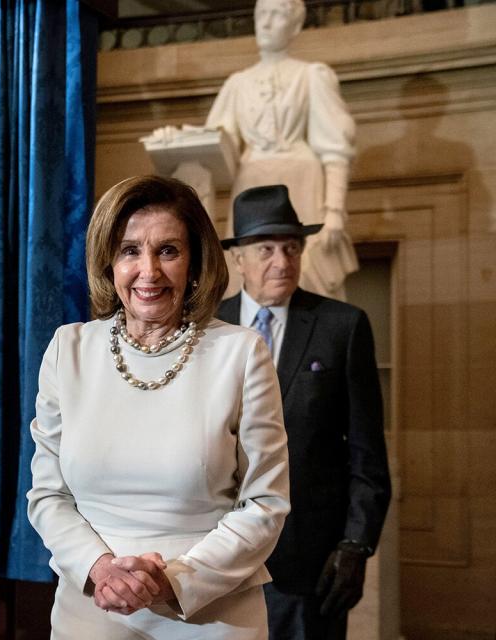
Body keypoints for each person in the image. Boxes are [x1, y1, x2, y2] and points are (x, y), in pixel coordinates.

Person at [27, 175, 290, 639]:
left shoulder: (243, 353)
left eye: (168, 250)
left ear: (194, 262)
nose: (148, 271)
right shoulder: (67, 350)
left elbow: (265, 504)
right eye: (130, 250)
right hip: (92, 605)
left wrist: (172, 580)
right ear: (108, 261)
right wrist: (102, 570)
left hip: (210, 610)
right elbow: (48, 496)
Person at [217, 184, 391, 640]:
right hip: (215, 560)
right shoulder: (205, 328)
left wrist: (356, 545)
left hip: (309, 567)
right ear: (239, 258)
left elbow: (368, 454)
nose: (282, 261)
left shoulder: (343, 327)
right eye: (267, 248)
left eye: (292, 247)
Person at [205, 0, 358, 300]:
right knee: (245, 275)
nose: (265, 23)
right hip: (250, 185)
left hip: (301, 182)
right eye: (261, 14)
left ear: (295, 25)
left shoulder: (311, 75)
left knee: (308, 272)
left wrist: (334, 211)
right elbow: (215, 144)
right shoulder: (237, 84)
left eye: (276, 15)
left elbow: (335, 148)